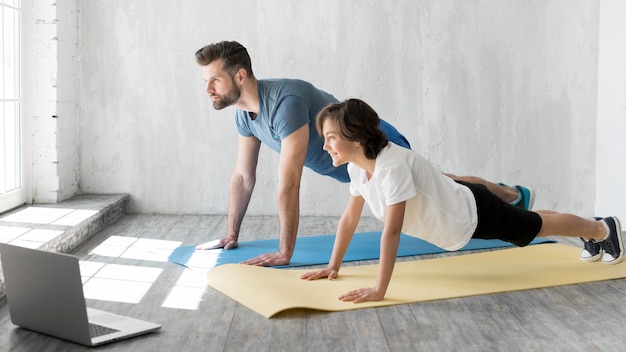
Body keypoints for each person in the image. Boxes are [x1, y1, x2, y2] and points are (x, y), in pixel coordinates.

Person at [194, 40, 535, 266]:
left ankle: (509, 196)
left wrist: (286, 252)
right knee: (442, 183)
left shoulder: (285, 102)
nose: (208, 89)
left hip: (377, 146)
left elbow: (289, 184)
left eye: (215, 80)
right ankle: (508, 195)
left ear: (240, 75)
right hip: (349, 167)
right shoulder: (244, 115)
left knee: (443, 190)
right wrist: (232, 234)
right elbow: (243, 176)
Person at [301, 98, 623, 303]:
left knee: (533, 227)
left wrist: (378, 290)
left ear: (355, 136)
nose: (326, 146)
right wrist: (333, 265)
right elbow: (349, 219)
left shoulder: (392, 167)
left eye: (331, 138)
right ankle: (590, 229)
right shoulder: (360, 170)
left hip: (472, 213)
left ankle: (602, 230)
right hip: (459, 215)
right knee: (531, 220)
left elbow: (392, 233)